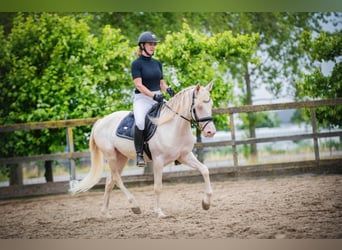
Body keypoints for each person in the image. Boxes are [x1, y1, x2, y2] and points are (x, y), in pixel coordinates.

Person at [131, 31, 175, 167]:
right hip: (143, 99)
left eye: (154, 44)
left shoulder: (157, 63)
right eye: (150, 44)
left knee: (175, 116)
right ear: (142, 45)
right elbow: (139, 84)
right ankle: (139, 155)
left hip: (158, 97)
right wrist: (153, 95)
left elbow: (161, 83)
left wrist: (167, 89)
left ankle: (176, 151)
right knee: (139, 122)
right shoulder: (136, 64)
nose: (153, 47)